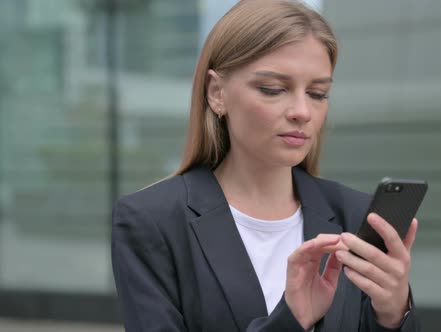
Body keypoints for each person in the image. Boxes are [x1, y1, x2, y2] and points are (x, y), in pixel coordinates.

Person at [111, 0, 420, 331]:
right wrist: (292, 320)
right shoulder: (152, 222)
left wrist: (392, 313)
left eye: (318, 94)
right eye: (273, 89)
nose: (302, 111)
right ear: (217, 93)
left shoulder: (355, 216)